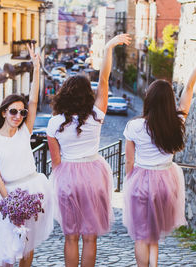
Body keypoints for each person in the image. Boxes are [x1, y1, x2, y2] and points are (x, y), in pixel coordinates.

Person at [123, 33, 196, 267]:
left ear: (148, 100)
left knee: (142, 236)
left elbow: (129, 164)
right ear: (169, 100)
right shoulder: (177, 122)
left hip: (141, 181)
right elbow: (190, 86)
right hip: (166, 181)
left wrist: (130, 184)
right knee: (154, 237)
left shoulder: (134, 125)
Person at [46, 34, 131, 267]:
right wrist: (108, 48)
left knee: (70, 236)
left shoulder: (54, 124)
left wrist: (63, 180)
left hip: (68, 175)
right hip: (94, 173)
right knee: (90, 236)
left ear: (64, 93)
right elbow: (104, 79)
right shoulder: (97, 116)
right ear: (87, 95)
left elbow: (56, 162)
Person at [0, 44, 54, 267]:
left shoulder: (25, 131)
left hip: (32, 191)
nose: (18, 115)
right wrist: (11, 202)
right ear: (4, 112)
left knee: (27, 244)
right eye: (13, 111)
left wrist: (36, 66)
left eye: (21, 113)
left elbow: (33, 101)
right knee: (9, 245)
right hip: (8, 196)